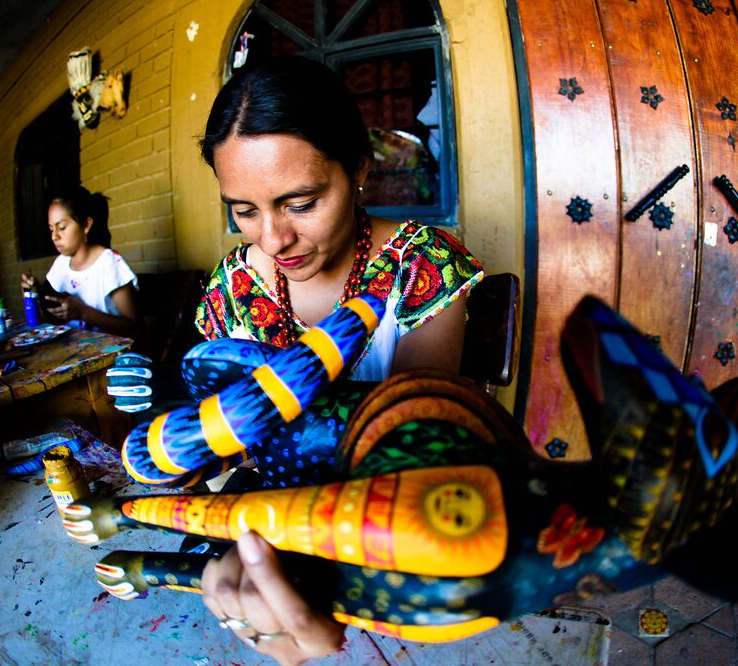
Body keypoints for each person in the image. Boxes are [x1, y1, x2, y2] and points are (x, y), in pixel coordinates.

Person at [193, 56, 484, 664]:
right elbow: (231, 445)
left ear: (356, 170)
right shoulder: (230, 290)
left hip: (401, 529)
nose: (272, 239)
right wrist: (240, 536)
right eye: (244, 211)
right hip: (280, 524)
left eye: (300, 202)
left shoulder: (419, 266)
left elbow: (410, 440)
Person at [21, 187, 140, 339]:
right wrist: (31, 292)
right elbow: (47, 316)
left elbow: (135, 329)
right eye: (51, 229)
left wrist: (84, 313)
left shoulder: (109, 263)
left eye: (62, 227)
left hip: (115, 356)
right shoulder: (61, 264)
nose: (54, 236)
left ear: (86, 225)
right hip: (77, 353)